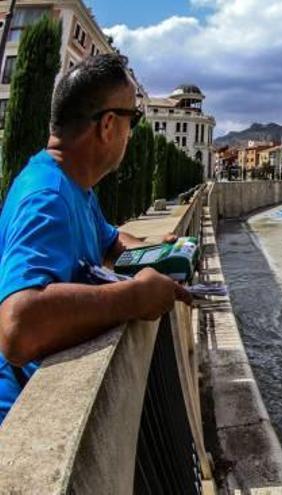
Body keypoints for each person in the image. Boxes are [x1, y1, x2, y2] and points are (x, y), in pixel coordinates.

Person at [0, 54, 192, 425]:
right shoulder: (47, 196)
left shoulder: (75, 187)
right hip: (19, 420)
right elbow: (17, 327)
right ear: (107, 125)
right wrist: (136, 298)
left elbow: (110, 242)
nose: (131, 132)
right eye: (132, 120)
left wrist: (159, 252)